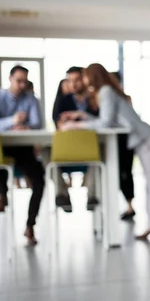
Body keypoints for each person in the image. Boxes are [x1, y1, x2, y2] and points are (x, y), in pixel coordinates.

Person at [59, 63, 150, 238]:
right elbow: (110, 120)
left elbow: (106, 122)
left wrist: (76, 125)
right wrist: (83, 116)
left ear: (92, 76)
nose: (83, 80)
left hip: (146, 139)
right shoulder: (107, 91)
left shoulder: (105, 91)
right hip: (143, 140)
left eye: (84, 76)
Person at [0, 65, 45, 246]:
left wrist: (26, 126)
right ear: (10, 79)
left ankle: (30, 225)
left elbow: (36, 123)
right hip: (2, 148)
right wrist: (13, 121)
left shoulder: (31, 99)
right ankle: (2, 195)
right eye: (18, 81)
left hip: (23, 149)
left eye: (24, 81)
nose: (21, 85)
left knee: (39, 180)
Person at [51, 67, 100, 211]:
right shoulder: (62, 100)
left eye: (77, 80)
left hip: (90, 147)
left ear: (84, 80)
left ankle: (92, 196)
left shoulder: (94, 99)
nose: (73, 84)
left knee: (101, 154)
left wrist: (76, 121)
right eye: (70, 81)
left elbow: (102, 122)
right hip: (67, 148)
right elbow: (58, 122)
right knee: (46, 154)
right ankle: (62, 194)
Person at [111, 71, 137, 221]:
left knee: (126, 172)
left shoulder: (124, 99)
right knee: (119, 172)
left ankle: (129, 205)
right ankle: (123, 205)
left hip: (126, 140)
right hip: (116, 139)